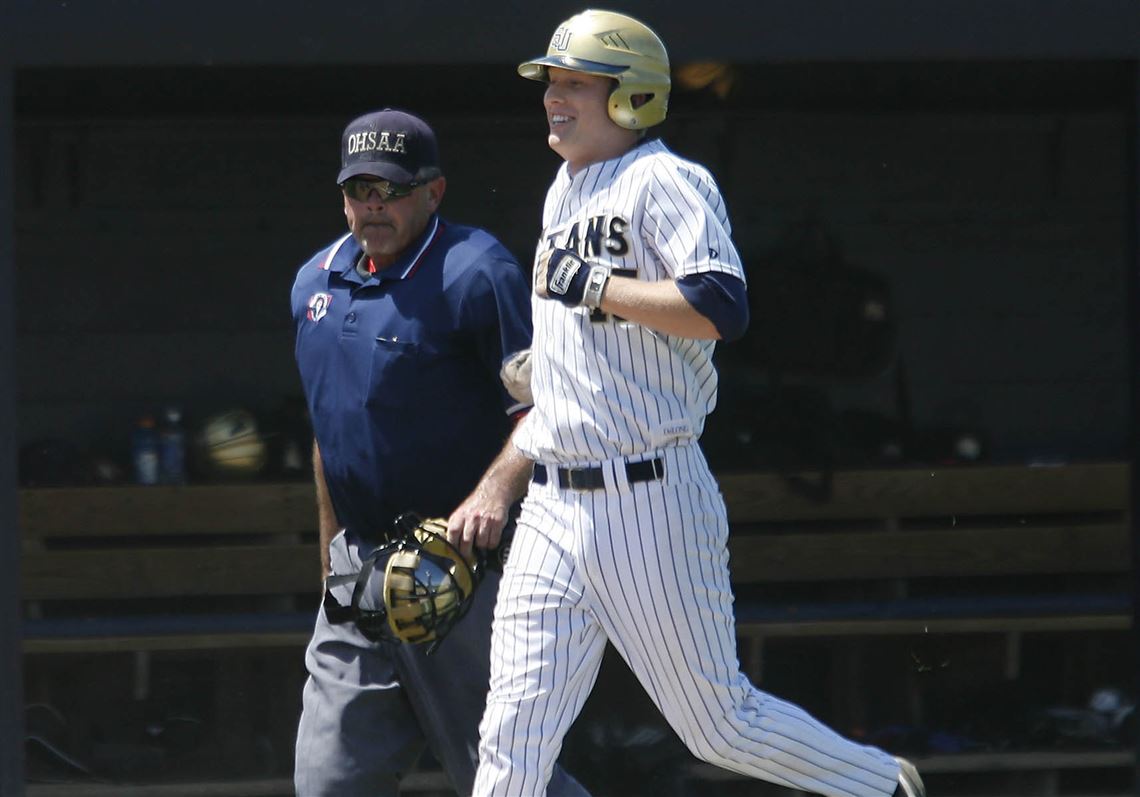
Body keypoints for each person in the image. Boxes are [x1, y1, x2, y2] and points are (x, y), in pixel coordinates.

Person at [469, 10, 927, 797]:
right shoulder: (563, 189)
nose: (554, 96)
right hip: (553, 501)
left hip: (647, 495)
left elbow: (722, 304)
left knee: (717, 723)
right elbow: (605, 332)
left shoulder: (667, 178)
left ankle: (879, 785)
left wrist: (598, 287)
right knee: (511, 731)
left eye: (576, 82)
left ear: (631, 96)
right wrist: (549, 368)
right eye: (552, 81)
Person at [290, 108, 589, 797]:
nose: (374, 204)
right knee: (328, 783)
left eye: (391, 189)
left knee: (509, 780)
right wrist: (331, 558)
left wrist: (492, 493)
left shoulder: (476, 272)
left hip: (467, 572)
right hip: (361, 577)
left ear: (434, 190)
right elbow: (328, 430)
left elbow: (547, 406)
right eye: (359, 188)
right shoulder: (314, 283)